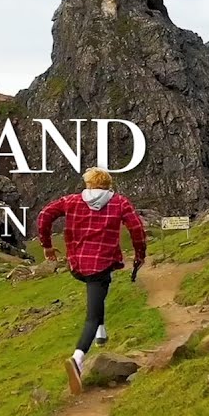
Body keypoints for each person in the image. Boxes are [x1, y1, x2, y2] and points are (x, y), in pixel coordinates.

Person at [37, 167, 147, 394]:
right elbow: (136, 228)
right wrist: (140, 254)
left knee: (99, 291)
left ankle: (101, 332)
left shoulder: (72, 201)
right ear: (108, 185)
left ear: (88, 184)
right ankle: (78, 359)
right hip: (101, 264)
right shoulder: (119, 202)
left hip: (77, 265)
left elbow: (45, 214)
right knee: (92, 315)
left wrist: (47, 245)